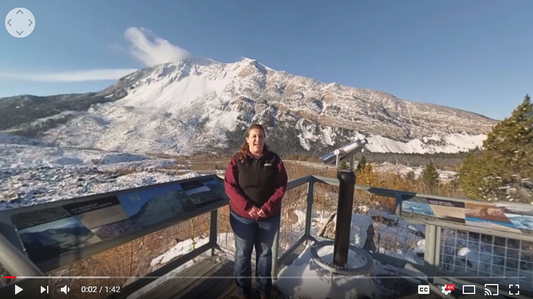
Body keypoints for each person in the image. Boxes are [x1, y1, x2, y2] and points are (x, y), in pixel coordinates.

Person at [224, 124, 288, 299]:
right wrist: (248, 207)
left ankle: (264, 291)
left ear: (264, 139)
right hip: (242, 217)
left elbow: (281, 186)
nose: (257, 140)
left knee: (265, 254)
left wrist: (267, 208)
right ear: (247, 139)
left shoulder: (275, 160)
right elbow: (230, 186)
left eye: (260, 136)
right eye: (254, 136)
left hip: (268, 217)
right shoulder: (238, 160)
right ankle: (243, 292)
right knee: (243, 254)